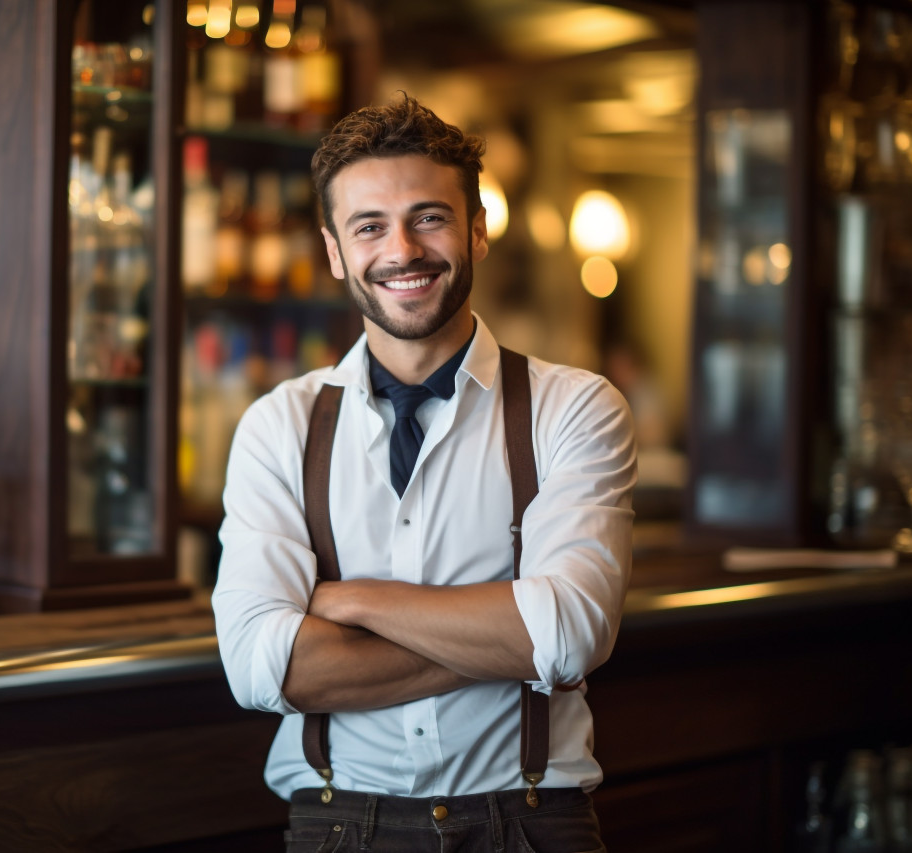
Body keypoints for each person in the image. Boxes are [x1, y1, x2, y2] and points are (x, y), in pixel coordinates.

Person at [212, 94, 636, 852]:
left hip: (531, 820)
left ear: (477, 229)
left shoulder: (572, 408)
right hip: (338, 821)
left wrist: (349, 601)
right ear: (336, 250)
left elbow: (568, 632)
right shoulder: (279, 426)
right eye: (369, 226)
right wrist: (505, 640)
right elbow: (259, 666)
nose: (402, 249)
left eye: (429, 217)